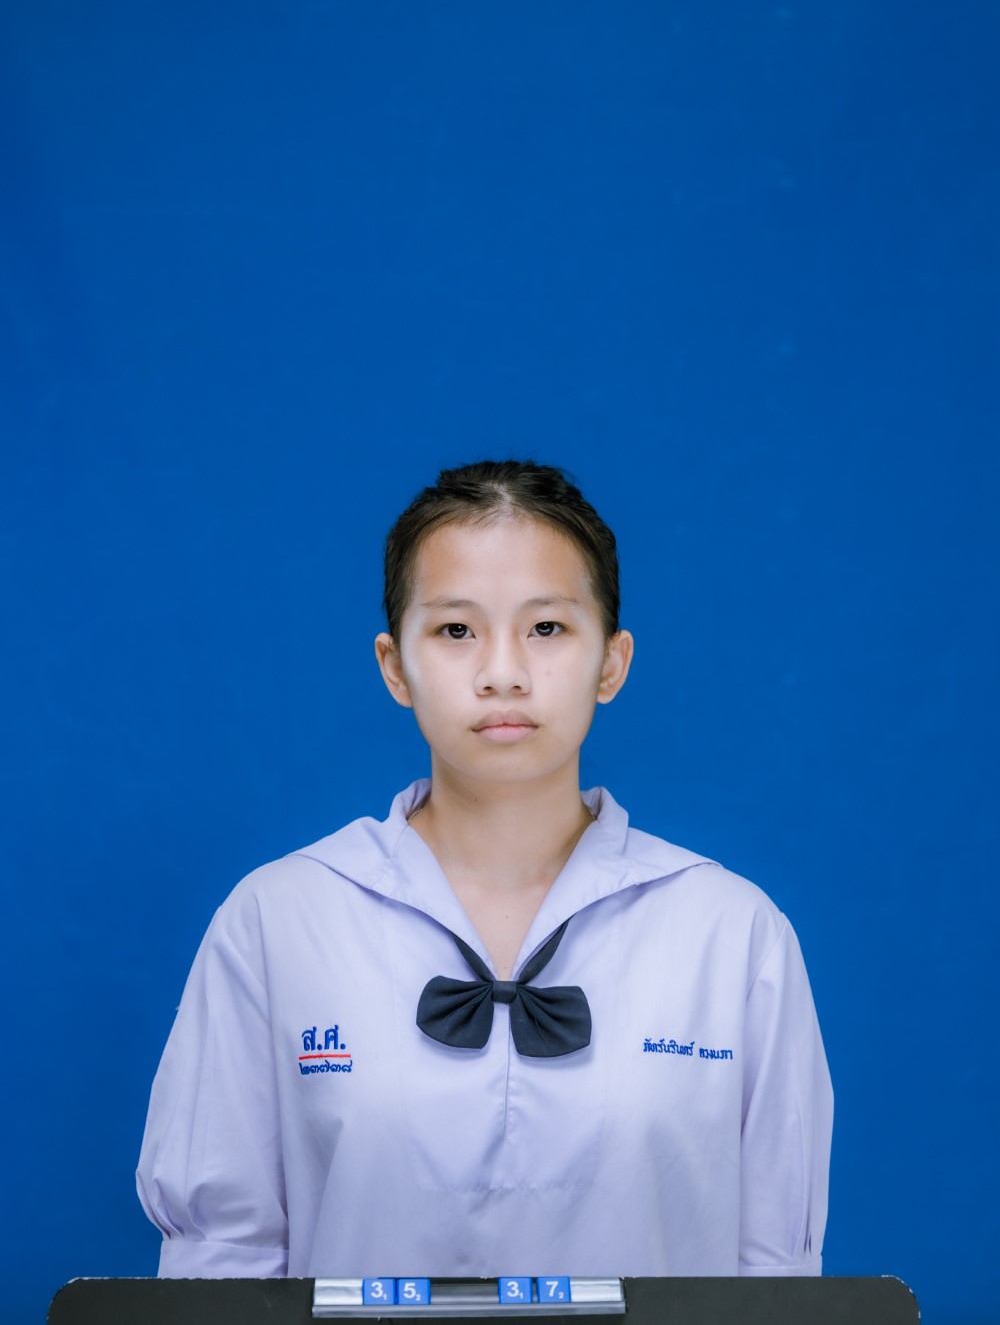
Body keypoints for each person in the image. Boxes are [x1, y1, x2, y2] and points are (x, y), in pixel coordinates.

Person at [137, 459, 832, 1281]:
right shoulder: (277, 919)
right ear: (395, 666)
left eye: (548, 628)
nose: (503, 672)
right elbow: (220, 1265)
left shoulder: (733, 932)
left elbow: (776, 1278)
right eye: (456, 631)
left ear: (612, 662)